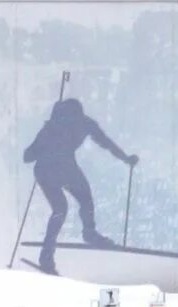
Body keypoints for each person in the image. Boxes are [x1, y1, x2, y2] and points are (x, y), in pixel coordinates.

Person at [21, 98, 138, 275]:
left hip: (61, 168)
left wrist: (125, 158)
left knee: (74, 202)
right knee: (67, 205)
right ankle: (54, 252)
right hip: (49, 170)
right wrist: (126, 158)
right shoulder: (63, 126)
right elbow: (28, 156)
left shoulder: (58, 126)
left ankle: (82, 237)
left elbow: (28, 156)